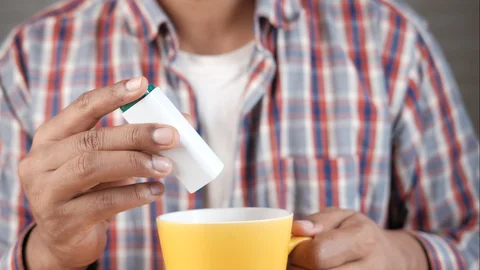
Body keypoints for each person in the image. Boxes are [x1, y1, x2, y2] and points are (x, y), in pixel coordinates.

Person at [0, 0, 478, 269]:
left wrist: (403, 257)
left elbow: (470, 241)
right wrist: (48, 253)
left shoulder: (390, 40)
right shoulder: (31, 56)